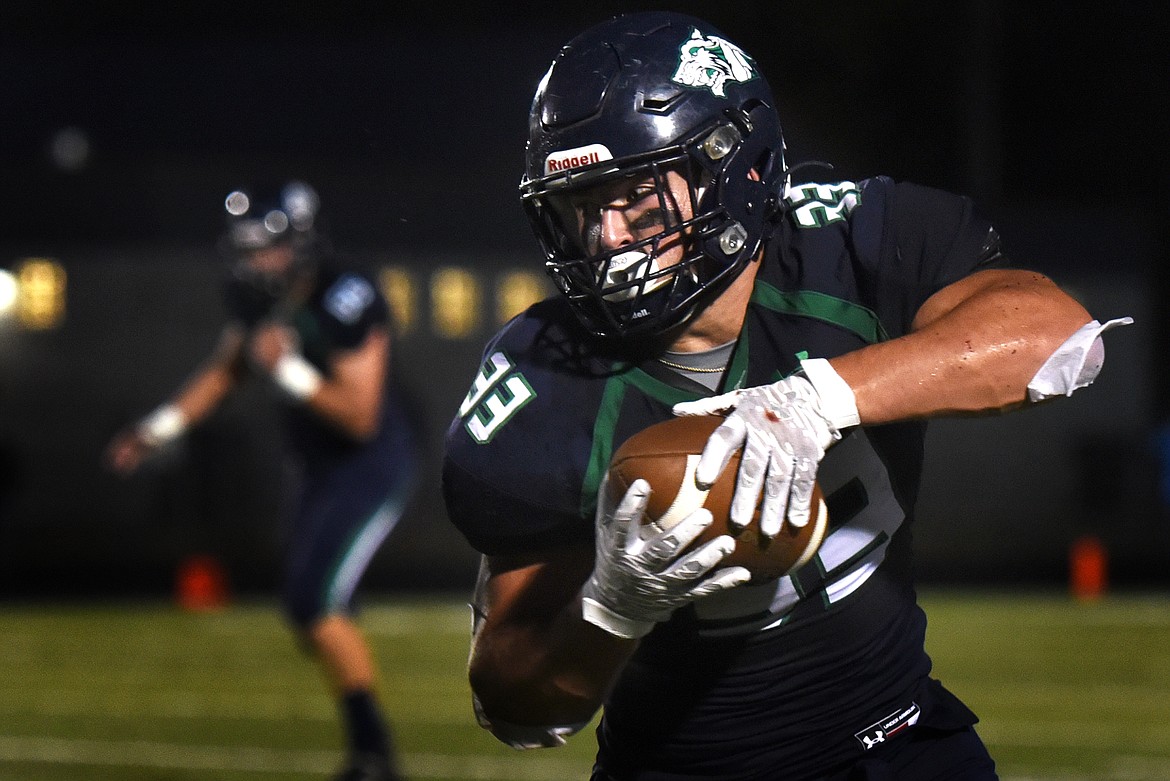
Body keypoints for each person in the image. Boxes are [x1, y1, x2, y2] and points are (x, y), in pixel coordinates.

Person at [441, 11, 1132, 781]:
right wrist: (611, 607)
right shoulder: (544, 373)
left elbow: (1062, 341)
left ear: (729, 167)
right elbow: (514, 705)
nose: (605, 240)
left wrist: (817, 398)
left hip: (897, 744)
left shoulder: (851, 243)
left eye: (636, 197)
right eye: (579, 208)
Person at [105, 181, 418, 781]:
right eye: (247, 249)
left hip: (369, 464)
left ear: (299, 243)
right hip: (318, 467)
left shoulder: (346, 295)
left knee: (311, 602)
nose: (255, 263)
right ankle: (369, 748)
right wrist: (159, 428)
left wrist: (291, 371)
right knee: (308, 610)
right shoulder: (256, 302)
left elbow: (360, 416)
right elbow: (227, 370)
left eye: (266, 248)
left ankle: (375, 755)